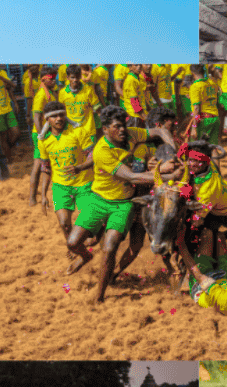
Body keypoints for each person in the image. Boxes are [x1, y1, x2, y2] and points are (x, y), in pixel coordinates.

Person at [65, 105, 179, 303]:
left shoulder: (132, 135)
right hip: (98, 200)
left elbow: (161, 130)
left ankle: (99, 296)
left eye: (124, 125)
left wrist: (172, 152)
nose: (122, 130)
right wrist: (169, 174)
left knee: (110, 247)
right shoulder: (102, 151)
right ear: (106, 129)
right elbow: (133, 177)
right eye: (117, 127)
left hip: (124, 202)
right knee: (73, 242)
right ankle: (85, 257)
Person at [36, 101, 94, 247]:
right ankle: (77, 249)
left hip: (84, 183)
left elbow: (93, 156)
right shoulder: (43, 141)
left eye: (61, 115)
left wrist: (80, 168)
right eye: (54, 116)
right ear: (47, 119)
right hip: (61, 186)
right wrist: (43, 195)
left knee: (89, 224)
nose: (59, 119)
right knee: (64, 224)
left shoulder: (78, 131)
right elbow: (46, 168)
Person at [29, 66, 59, 205]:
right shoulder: (41, 95)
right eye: (51, 79)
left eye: (55, 78)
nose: (54, 81)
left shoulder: (49, 93)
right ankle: (32, 199)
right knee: (38, 165)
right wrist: (42, 136)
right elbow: (36, 117)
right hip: (40, 134)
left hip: (45, 133)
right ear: (44, 79)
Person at [59, 65, 102, 151]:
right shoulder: (62, 93)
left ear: (80, 76)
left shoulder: (88, 90)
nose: (75, 80)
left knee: (91, 158)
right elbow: (61, 112)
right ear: (67, 78)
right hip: (72, 131)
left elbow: (98, 109)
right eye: (72, 77)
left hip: (88, 131)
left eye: (77, 77)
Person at [0, 67, 20, 180]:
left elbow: (12, 87)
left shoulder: (2, 73)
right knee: (2, 138)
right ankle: (8, 160)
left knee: (16, 132)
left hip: (8, 109)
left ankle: (9, 149)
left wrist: (15, 103)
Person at [188, 65, 221, 144]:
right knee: (212, 147)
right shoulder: (212, 83)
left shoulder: (195, 87)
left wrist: (194, 127)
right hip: (215, 118)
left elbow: (196, 108)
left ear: (192, 73)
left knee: (196, 147)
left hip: (204, 121)